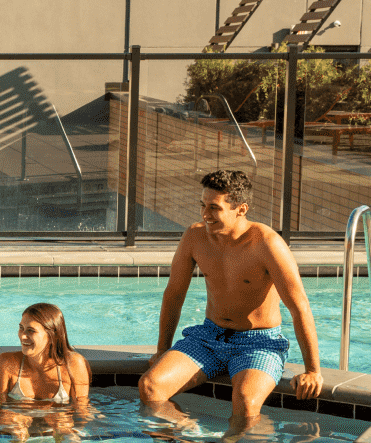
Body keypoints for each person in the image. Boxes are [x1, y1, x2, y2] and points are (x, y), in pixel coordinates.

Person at [139, 170, 324, 427]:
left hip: (259, 343)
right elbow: (173, 295)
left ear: (241, 209)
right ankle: (190, 433)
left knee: (246, 403)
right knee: (150, 386)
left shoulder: (267, 243)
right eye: (203, 206)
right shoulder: (195, 237)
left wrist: (313, 370)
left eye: (214, 208)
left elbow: (299, 306)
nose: (205, 215)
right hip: (208, 337)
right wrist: (162, 348)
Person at [0, 303, 91, 405]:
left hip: (58, 418)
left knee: (62, 420)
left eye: (31, 330)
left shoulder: (74, 364)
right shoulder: (6, 363)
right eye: (21, 328)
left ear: (52, 336)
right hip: (17, 418)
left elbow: (82, 409)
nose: (23, 336)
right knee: (12, 418)